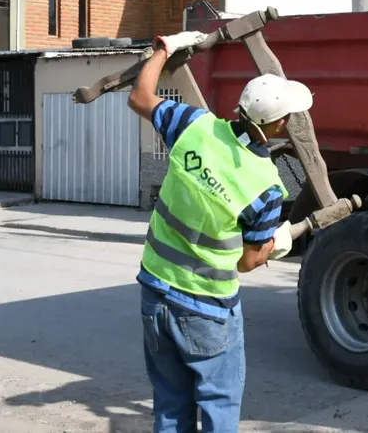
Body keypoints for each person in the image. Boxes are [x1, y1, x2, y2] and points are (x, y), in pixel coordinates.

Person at [127, 30, 313, 433]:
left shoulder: (195, 125)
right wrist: (275, 244)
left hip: (155, 293)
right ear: (278, 123)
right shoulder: (265, 185)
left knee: (171, 405)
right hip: (207, 310)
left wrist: (164, 49)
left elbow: (139, 96)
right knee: (219, 404)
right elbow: (247, 262)